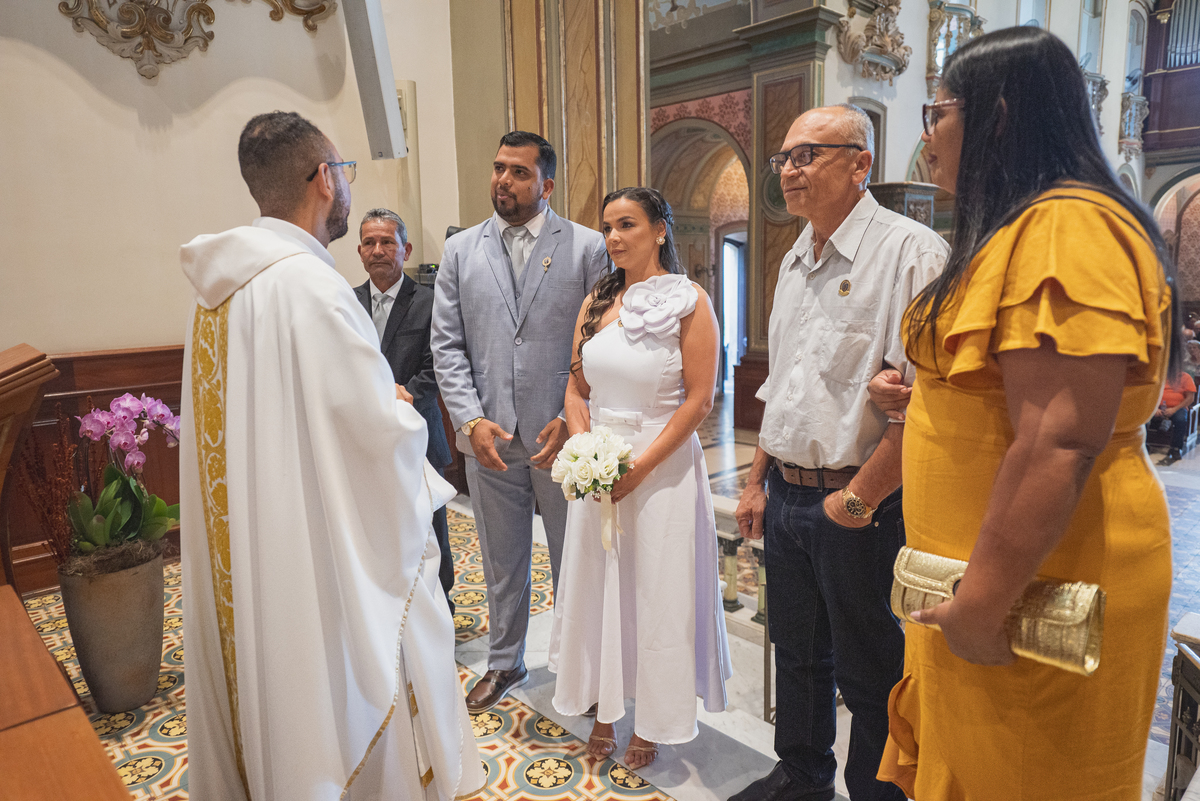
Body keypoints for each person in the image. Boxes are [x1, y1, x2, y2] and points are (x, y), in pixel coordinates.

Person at [869, 27, 1174, 800]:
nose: (926, 132)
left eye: (938, 110)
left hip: (1033, 591)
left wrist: (981, 608)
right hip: (983, 582)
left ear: (997, 115)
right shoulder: (1025, 224)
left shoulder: (1067, 225)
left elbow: (1060, 439)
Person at [179, 111, 484, 801]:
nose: (346, 185)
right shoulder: (312, 288)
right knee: (338, 684)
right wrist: (405, 418)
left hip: (263, 542)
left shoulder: (218, 293)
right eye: (343, 171)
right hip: (317, 552)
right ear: (321, 180)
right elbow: (377, 433)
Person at [729, 104, 948, 801]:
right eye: (784, 158)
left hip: (864, 500)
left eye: (807, 155)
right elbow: (785, 389)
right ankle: (801, 777)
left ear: (861, 164)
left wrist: (858, 501)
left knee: (871, 669)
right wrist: (757, 481)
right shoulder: (794, 258)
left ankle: (877, 793)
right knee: (795, 654)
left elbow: (921, 408)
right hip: (790, 494)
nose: (789, 170)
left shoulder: (910, 253)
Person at [548, 187, 732, 770]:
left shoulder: (692, 300)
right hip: (597, 467)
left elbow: (700, 400)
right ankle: (603, 707)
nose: (614, 237)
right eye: (606, 227)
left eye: (627, 224)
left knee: (656, 591)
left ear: (660, 229)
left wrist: (640, 466)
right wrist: (584, 447)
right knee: (598, 584)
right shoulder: (594, 302)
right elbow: (577, 386)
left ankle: (653, 716)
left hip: (661, 468)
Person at [431, 131, 609, 712]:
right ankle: (505, 661)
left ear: (547, 184)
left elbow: (598, 343)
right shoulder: (461, 251)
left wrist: (569, 416)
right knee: (501, 558)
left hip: (562, 439)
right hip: (490, 439)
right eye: (498, 168)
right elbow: (447, 347)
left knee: (572, 558)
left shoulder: (585, 248)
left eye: (519, 172)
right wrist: (470, 420)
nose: (503, 181)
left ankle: (579, 670)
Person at [354, 207, 456, 613]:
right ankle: (389, 611)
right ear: (360, 251)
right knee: (377, 529)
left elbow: (441, 363)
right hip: (365, 439)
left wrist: (402, 396)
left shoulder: (431, 302)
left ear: (405, 248)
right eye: (370, 242)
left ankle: (441, 608)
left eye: (387, 242)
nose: (378, 250)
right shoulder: (346, 302)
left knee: (430, 527)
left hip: (419, 436)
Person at [1152, 371, 1196, 465]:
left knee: (1180, 420)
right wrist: (1154, 408)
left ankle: (1176, 448)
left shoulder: (1186, 377)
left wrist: (1174, 409)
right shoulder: (1158, 375)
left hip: (1178, 408)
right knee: (1143, 419)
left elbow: (1190, 398)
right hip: (1157, 407)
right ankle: (1143, 446)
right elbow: (1150, 393)